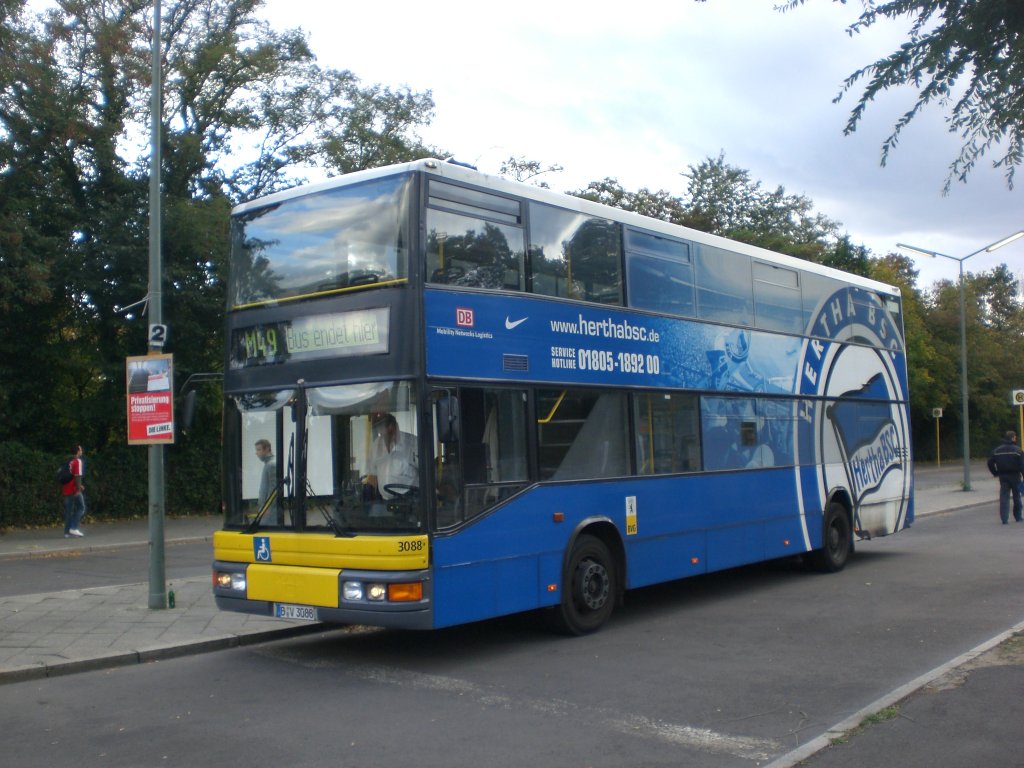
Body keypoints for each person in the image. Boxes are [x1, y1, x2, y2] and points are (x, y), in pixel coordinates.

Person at [366, 413, 418, 502]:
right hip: (384, 503)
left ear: (393, 427)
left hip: (410, 501)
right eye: (380, 431)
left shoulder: (413, 443)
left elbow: (427, 472)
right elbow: (373, 476)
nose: (382, 435)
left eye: (385, 430)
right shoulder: (376, 446)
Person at [987, 430, 1023, 524]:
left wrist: (995, 473)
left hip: (1003, 476)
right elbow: (1022, 465)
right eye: (1015, 437)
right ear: (1012, 438)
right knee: (1017, 496)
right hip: (1015, 476)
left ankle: (1004, 519)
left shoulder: (997, 450)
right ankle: (1018, 517)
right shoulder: (1018, 450)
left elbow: (990, 462)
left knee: (1004, 497)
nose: (1016, 439)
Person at [61, 445, 86, 538]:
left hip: (66, 488)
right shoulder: (77, 461)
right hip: (74, 489)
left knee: (69, 511)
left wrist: (79, 485)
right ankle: (74, 528)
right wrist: (79, 489)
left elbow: (70, 476)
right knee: (81, 508)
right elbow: (77, 476)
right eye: (81, 449)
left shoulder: (69, 461)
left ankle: (67, 533)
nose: (82, 451)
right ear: (78, 451)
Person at [255, 439, 279, 524]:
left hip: (269, 510)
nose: (256, 453)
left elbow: (273, 489)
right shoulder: (268, 464)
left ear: (267, 449)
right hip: (267, 508)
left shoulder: (271, 465)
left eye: (259, 450)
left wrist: (267, 508)